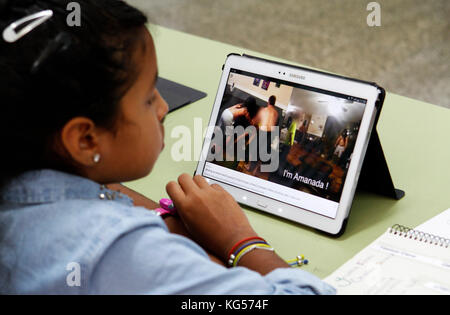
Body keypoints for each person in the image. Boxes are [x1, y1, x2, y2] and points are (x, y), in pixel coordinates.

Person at [0, 0, 334, 295]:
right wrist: (240, 240)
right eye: (148, 97)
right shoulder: (119, 252)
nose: (163, 107)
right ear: (85, 140)